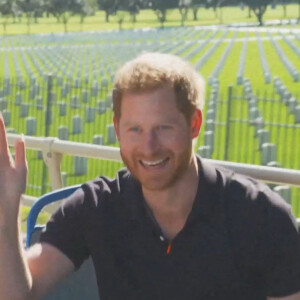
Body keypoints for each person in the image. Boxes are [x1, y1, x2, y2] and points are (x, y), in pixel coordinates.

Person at [0, 52, 300, 300]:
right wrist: (5, 215)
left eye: (163, 128)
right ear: (117, 130)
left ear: (194, 124)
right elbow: (19, 295)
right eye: (135, 129)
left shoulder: (261, 216)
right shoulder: (94, 208)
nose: (149, 147)